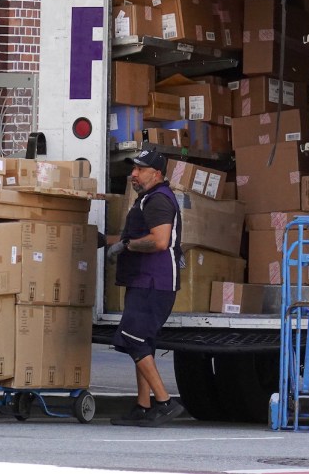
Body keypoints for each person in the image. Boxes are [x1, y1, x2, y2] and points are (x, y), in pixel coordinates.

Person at [107, 148, 184, 427]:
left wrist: (124, 246)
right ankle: (143, 405)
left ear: (157, 174)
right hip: (144, 280)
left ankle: (164, 402)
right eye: (133, 169)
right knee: (142, 343)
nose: (133, 175)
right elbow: (136, 236)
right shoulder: (148, 199)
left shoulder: (159, 200)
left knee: (134, 339)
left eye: (140, 170)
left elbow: (160, 241)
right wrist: (106, 240)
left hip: (154, 282)